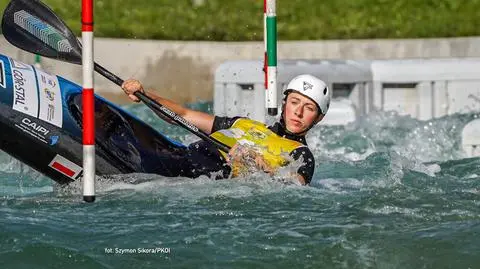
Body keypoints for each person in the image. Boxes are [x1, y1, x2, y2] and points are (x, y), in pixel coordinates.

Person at [121, 74, 331, 185]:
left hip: (199, 180)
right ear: (285, 104)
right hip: (179, 159)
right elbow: (182, 116)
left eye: (309, 108)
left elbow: (297, 186)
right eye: (295, 102)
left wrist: (263, 167)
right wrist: (145, 95)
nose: (299, 112)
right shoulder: (242, 124)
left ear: (318, 118)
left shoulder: (301, 154)